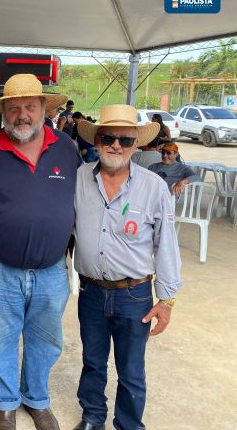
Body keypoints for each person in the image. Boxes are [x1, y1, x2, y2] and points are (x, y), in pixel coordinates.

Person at [0, 74, 80, 430]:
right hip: (0, 265)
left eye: (29, 107)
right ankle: (5, 405)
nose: (22, 115)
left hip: (52, 267)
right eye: (13, 109)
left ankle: (37, 400)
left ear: (43, 109)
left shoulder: (66, 148)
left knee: (46, 340)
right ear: (3, 113)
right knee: (1, 338)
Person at [72, 105, 182, 430]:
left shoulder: (153, 186)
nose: (116, 146)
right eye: (108, 138)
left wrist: (167, 298)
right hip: (91, 290)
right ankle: (93, 418)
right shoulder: (78, 178)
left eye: (125, 139)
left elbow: (166, 243)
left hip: (134, 294)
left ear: (136, 145)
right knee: (92, 362)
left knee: (131, 369)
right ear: (97, 141)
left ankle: (129, 425)